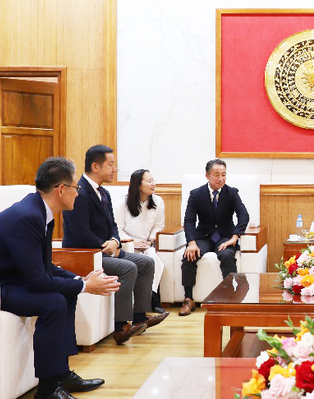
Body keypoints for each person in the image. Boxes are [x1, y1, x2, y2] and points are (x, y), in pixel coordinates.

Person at [0, 157, 120, 399]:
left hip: (13, 278)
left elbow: (45, 266)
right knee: (54, 302)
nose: (78, 194)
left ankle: (61, 374)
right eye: (76, 188)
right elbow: (37, 280)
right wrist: (83, 285)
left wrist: (79, 279)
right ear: (61, 189)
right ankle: (48, 389)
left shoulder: (40, 210)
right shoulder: (28, 215)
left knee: (67, 291)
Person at [62, 145, 167, 345]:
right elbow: (80, 232)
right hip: (84, 255)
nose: (114, 169)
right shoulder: (79, 192)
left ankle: (139, 317)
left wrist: (115, 241)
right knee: (128, 268)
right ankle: (120, 326)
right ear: (95, 166)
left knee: (146, 262)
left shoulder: (105, 193)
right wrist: (105, 246)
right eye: (110, 165)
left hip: (105, 250)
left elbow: (113, 225)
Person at [180, 158, 249, 316]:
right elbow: (189, 220)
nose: (221, 179)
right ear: (207, 176)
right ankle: (188, 298)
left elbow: (243, 216)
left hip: (225, 236)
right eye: (216, 175)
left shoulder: (232, 193)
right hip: (203, 236)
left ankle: (231, 298)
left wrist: (235, 236)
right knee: (190, 255)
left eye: (224, 174)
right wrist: (191, 242)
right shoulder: (196, 194)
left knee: (226, 255)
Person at [114, 169, 167, 314]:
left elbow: (158, 226)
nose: (153, 184)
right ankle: (148, 301)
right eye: (149, 181)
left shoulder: (158, 201)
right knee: (145, 260)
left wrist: (150, 240)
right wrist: (133, 243)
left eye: (153, 180)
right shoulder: (123, 203)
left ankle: (153, 299)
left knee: (155, 261)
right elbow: (118, 229)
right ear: (138, 184)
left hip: (146, 243)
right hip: (128, 244)